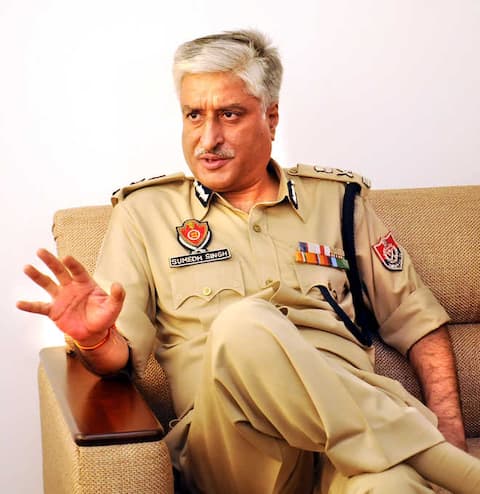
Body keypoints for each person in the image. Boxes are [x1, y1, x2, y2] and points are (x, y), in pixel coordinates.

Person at [17, 29, 480, 494]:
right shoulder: (145, 215)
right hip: (233, 448)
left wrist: (451, 430)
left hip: (343, 454)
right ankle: (450, 470)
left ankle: (426, 462)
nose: (208, 138)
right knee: (243, 325)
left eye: (229, 114)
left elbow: (418, 321)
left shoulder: (338, 203)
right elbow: (119, 357)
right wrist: (95, 338)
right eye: (194, 115)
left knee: (392, 486)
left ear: (271, 117)